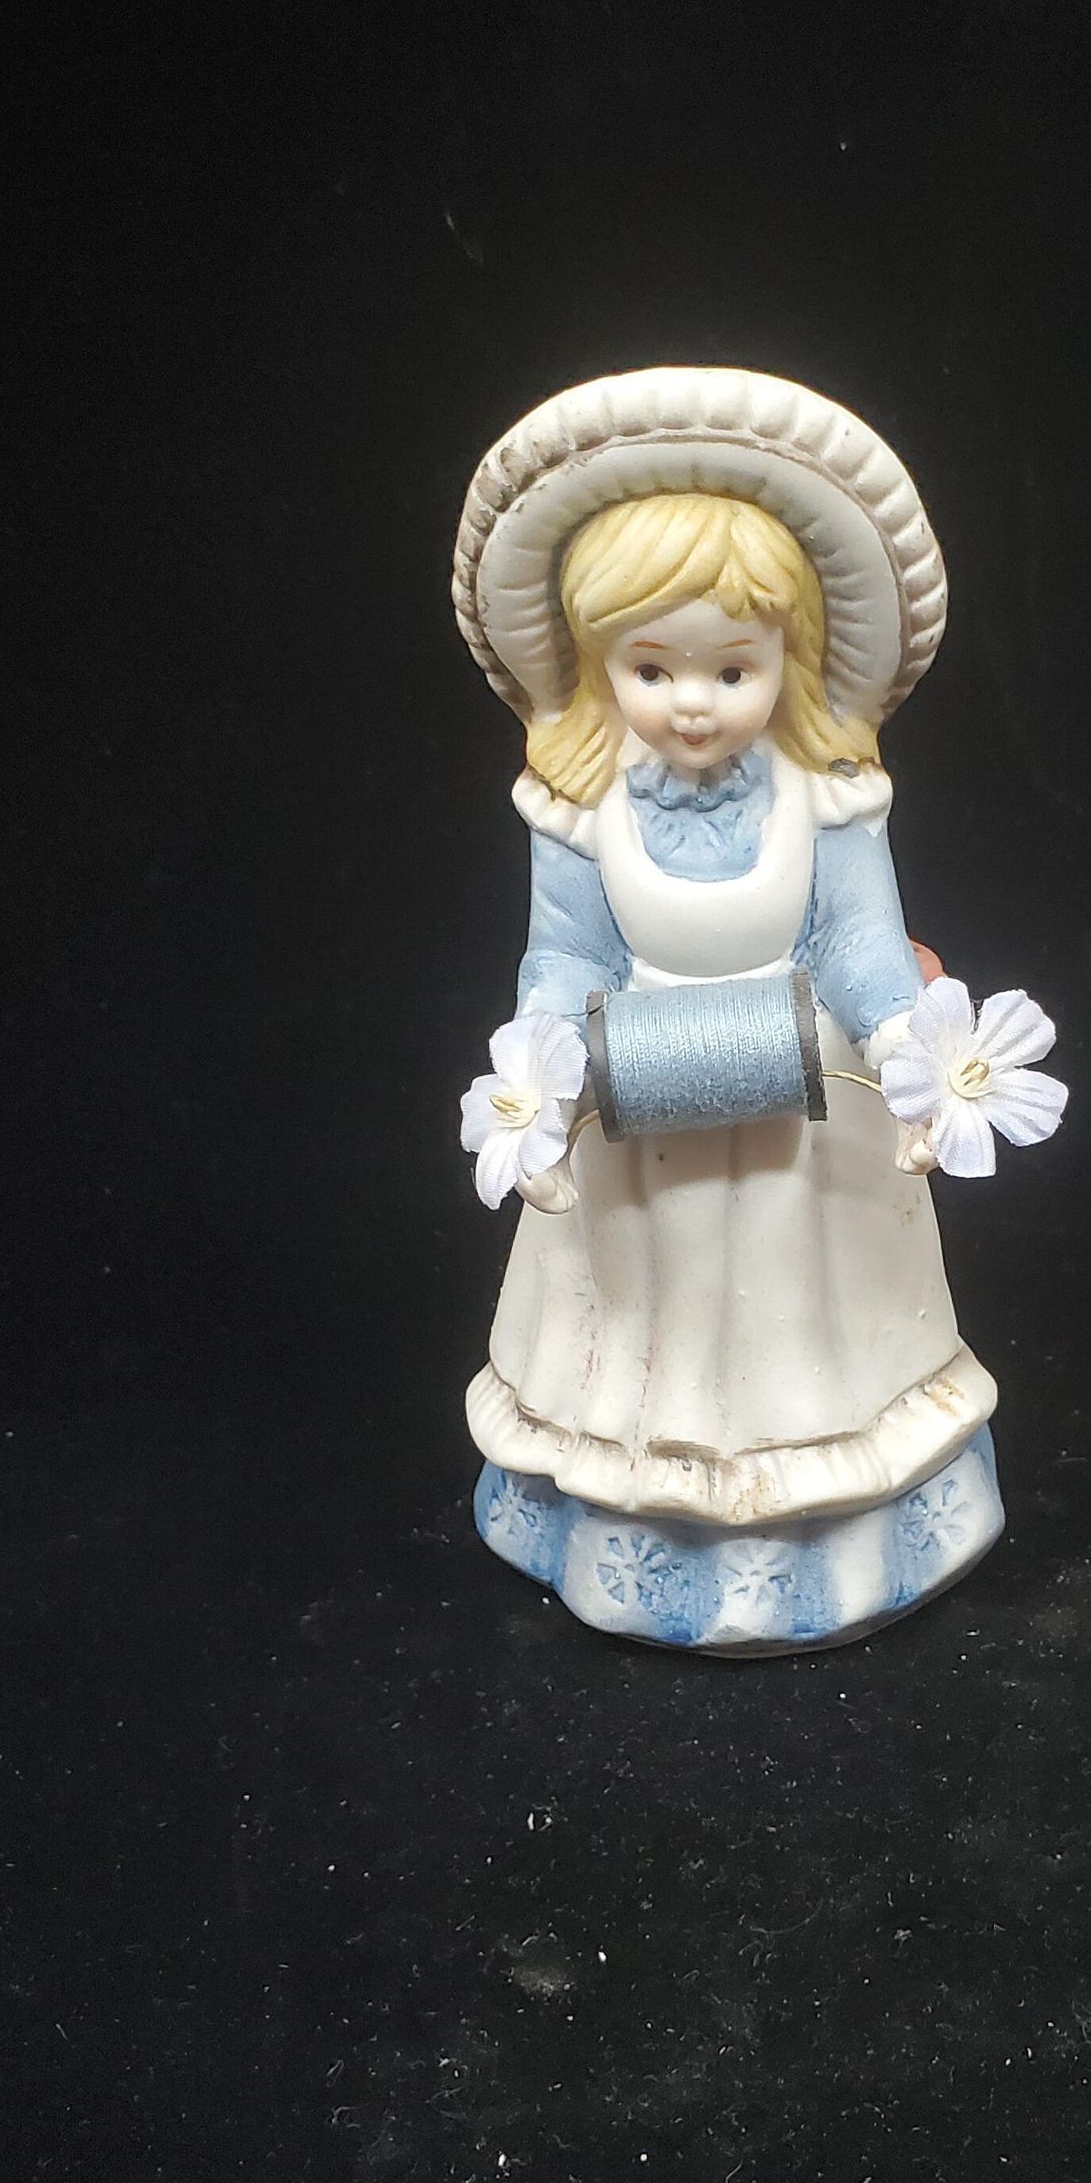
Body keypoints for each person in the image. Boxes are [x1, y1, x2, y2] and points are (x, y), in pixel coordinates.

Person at [449, 375, 1016, 1653]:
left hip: (808, 1117)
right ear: (598, 664)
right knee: (647, 1329)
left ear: (787, 661)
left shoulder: (829, 798)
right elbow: (563, 957)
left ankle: (833, 1543)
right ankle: (637, 1533)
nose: (692, 702)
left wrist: (908, 1053)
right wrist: (542, 1082)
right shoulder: (579, 810)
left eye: (731, 668)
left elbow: (860, 943)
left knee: (802, 1332)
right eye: (651, 668)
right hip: (637, 1109)